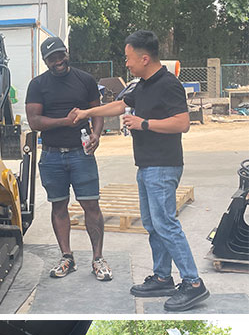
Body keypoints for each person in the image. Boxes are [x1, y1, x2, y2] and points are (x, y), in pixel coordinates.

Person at [71, 30, 208, 312]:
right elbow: (121, 104)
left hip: (163, 165)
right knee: (152, 224)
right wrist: (88, 113)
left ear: (145, 58)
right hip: (146, 165)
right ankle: (162, 276)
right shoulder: (141, 84)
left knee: (166, 224)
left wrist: (143, 124)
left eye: (129, 58)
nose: (127, 63)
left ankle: (193, 283)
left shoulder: (168, 84)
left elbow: (182, 123)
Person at [25, 36, 112, 282]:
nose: (58, 61)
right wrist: (66, 120)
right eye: (52, 58)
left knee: (91, 205)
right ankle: (67, 257)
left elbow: (97, 112)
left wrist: (96, 134)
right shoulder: (37, 85)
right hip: (52, 156)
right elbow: (34, 122)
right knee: (59, 206)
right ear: (45, 61)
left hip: (81, 154)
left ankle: (98, 258)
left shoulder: (85, 80)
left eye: (60, 55)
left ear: (67, 53)